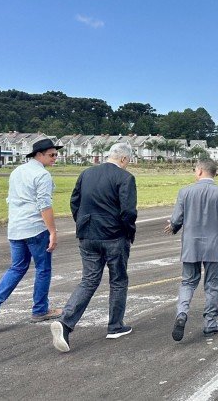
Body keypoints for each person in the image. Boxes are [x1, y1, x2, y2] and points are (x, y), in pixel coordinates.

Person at [50, 143, 137, 352]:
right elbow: (128, 211)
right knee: (118, 280)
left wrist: (82, 222)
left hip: (87, 233)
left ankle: (65, 322)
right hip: (114, 235)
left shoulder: (86, 173)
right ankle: (115, 325)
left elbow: (74, 202)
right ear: (124, 159)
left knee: (89, 280)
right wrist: (129, 231)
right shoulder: (125, 178)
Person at [0, 138, 63, 332]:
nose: (55, 158)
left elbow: (11, 199)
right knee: (43, 268)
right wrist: (52, 231)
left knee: (17, 267)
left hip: (16, 228)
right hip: (35, 228)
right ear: (39, 154)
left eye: (56, 154)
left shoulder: (17, 171)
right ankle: (40, 309)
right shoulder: (42, 175)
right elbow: (44, 205)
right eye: (52, 155)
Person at [163, 159, 218, 341]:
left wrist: (174, 227)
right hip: (215, 246)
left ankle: (182, 313)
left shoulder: (185, 192)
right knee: (212, 285)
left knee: (188, 282)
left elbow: (176, 219)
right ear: (215, 173)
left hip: (191, 246)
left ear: (199, 171)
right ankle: (210, 323)